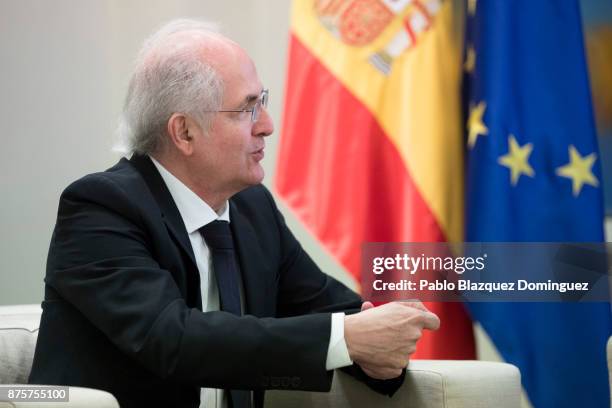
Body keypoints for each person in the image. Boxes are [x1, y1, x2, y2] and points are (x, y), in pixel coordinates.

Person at [28, 19, 440, 408]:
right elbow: (172, 339)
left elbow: (329, 313)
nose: (268, 125)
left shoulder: (251, 209)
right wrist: (348, 337)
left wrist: (381, 344)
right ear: (185, 132)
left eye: (263, 102)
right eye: (247, 109)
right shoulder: (100, 209)